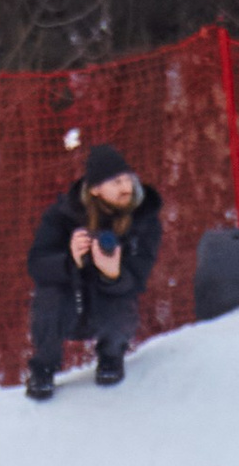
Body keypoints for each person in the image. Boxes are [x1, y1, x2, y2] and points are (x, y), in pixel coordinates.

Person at [25, 130, 161, 398]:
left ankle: (111, 357)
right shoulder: (62, 215)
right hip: (68, 300)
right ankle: (43, 368)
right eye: (116, 182)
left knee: (124, 298)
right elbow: (36, 265)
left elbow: (140, 277)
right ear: (96, 189)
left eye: (128, 180)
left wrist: (113, 275)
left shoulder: (144, 219)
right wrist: (70, 261)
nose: (126, 188)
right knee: (48, 294)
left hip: (108, 302)